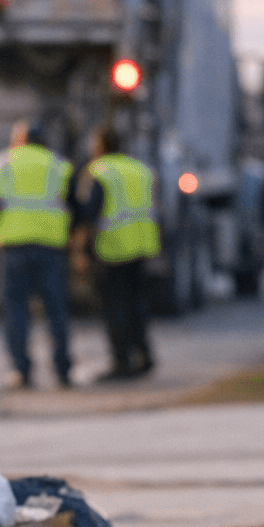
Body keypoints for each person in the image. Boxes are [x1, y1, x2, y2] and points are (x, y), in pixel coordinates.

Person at [0, 120, 83, 389]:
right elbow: (76, 208)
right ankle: (63, 370)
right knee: (56, 311)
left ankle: (22, 371)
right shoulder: (59, 165)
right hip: (51, 248)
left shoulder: (1, 163)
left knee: (16, 312)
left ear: (19, 140)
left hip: (13, 248)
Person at [78, 124, 161, 379]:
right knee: (137, 304)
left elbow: (91, 213)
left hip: (112, 249)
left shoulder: (100, 171)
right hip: (141, 246)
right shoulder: (140, 169)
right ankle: (144, 355)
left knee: (114, 308)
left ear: (101, 146)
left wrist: (79, 249)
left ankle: (121, 362)